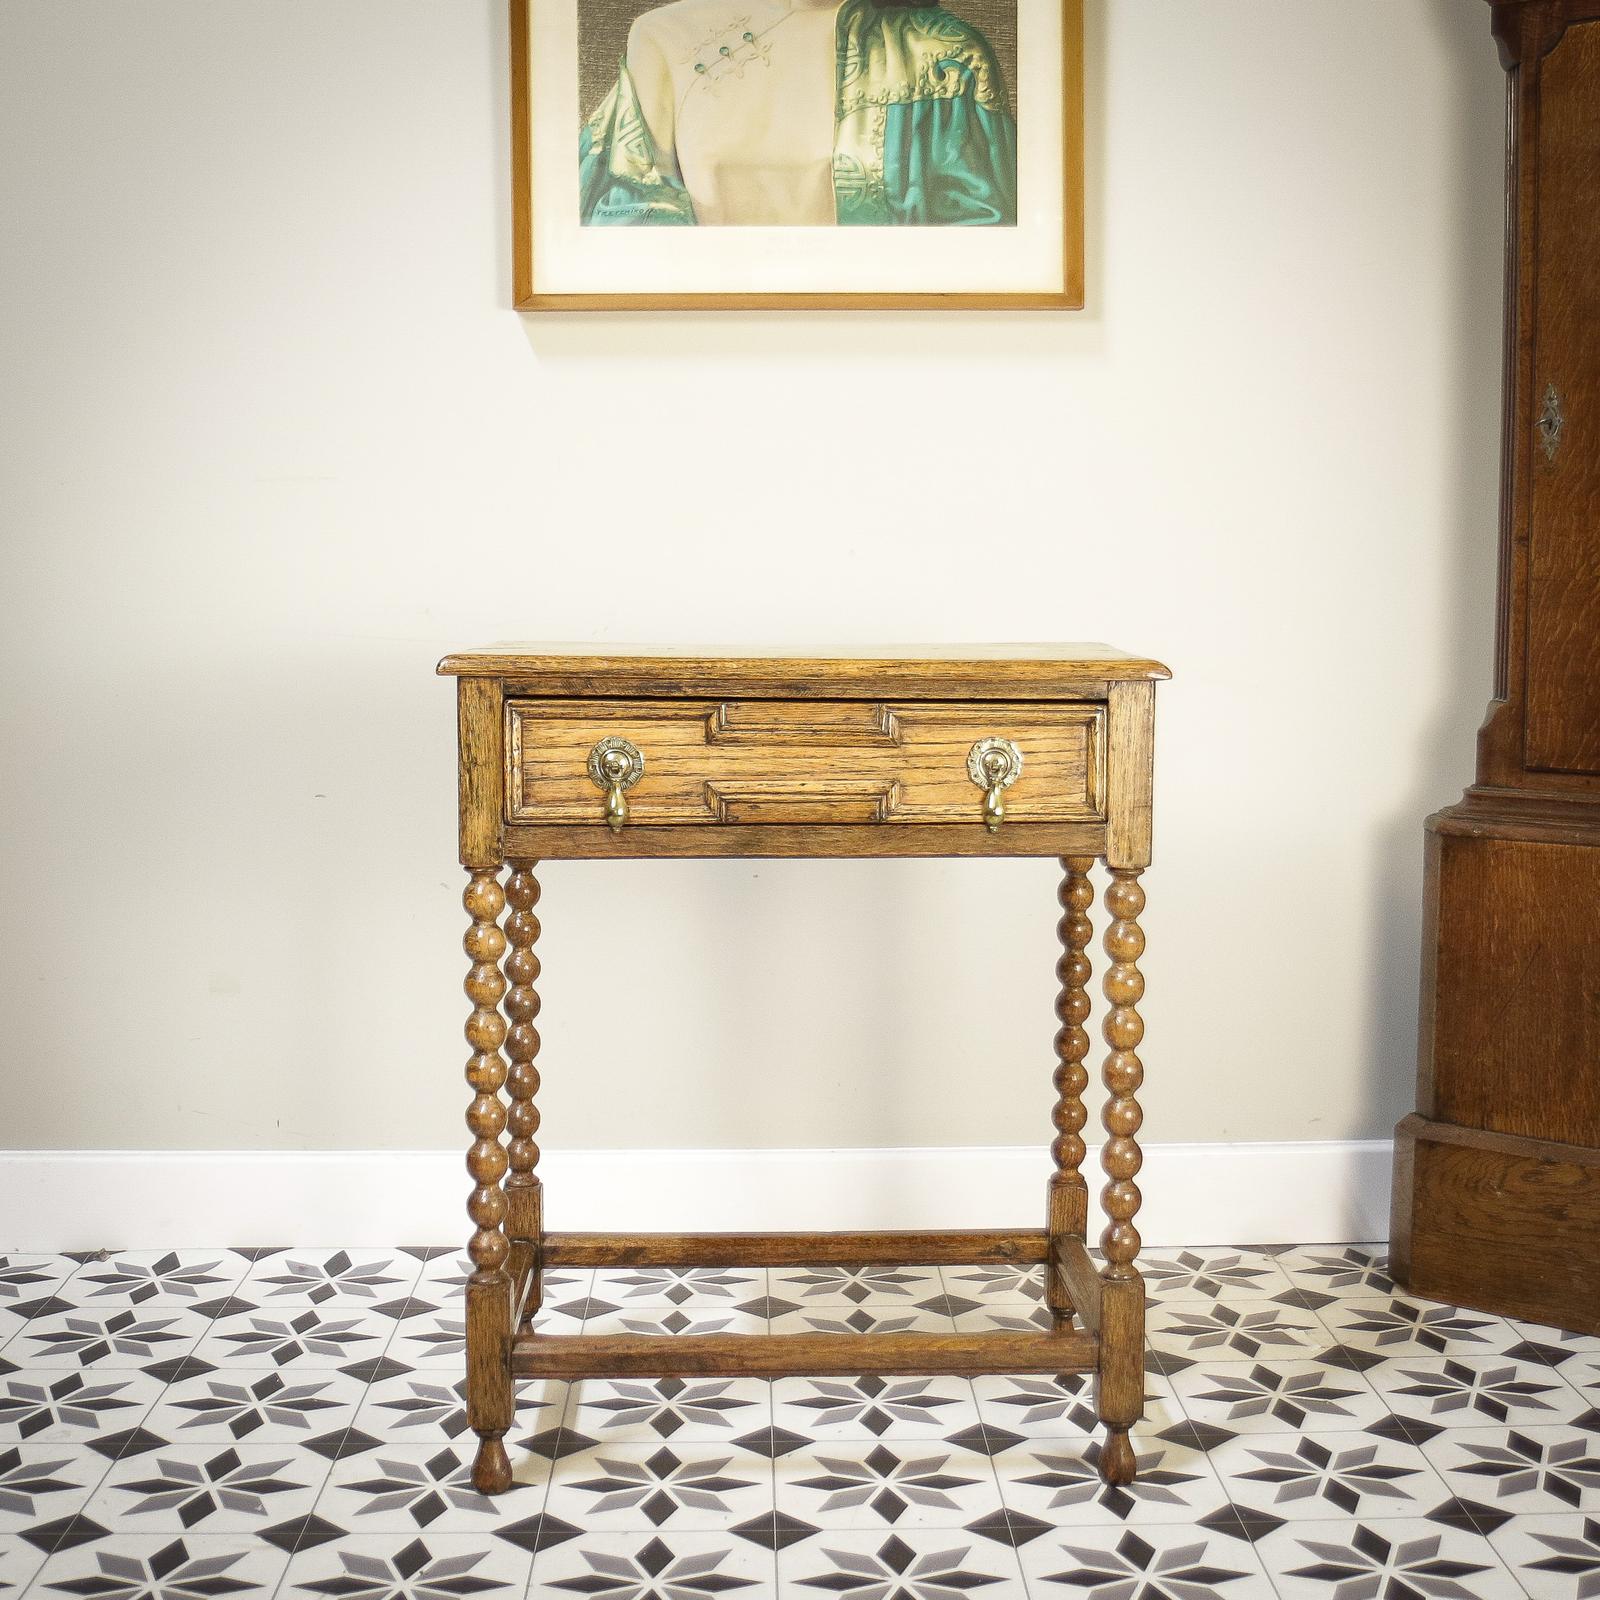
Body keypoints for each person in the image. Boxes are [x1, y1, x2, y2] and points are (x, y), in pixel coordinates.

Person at [580, 0, 1017, 225]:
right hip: (704, 336)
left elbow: (986, 235)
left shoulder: (942, 54)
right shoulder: (664, 37)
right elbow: (617, 214)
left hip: (883, 337)